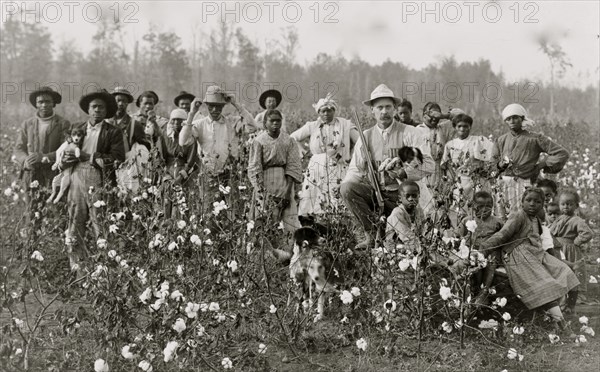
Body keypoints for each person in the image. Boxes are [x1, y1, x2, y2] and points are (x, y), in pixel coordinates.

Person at [340, 84, 434, 249]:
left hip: (404, 198)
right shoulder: (365, 137)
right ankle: (372, 233)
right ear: (372, 111)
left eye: (388, 107)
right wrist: (342, 187)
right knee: (347, 189)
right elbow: (355, 170)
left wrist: (405, 172)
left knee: (411, 238)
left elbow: (429, 164)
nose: (384, 111)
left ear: (395, 109)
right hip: (377, 195)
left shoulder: (410, 132)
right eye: (380, 107)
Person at [479, 188, 579, 332]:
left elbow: (540, 242)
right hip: (519, 255)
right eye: (529, 200)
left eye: (537, 202)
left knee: (566, 272)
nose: (532, 204)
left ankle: (567, 310)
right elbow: (502, 236)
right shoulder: (518, 216)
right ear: (522, 202)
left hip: (536, 254)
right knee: (545, 284)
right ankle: (561, 325)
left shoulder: (536, 220)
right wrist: (482, 250)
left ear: (542, 205)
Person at [61, 89, 125, 271]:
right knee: (75, 220)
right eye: (94, 107)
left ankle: (104, 268)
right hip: (76, 178)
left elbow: (118, 158)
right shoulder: (77, 128)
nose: (97, 110)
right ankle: (77, 268)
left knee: (101, 223)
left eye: (101, 108)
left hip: (99, 178)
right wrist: (66, 160)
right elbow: (66, 151)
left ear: (106, 111)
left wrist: (89, 157)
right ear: (88, 109)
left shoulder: (113, 132)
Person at [179, 86, 257, 208]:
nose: (215, 109)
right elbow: (183, 141)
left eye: (219, 106)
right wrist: (192, 113)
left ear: (223, 107)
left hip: (230, 173)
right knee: (209, 212)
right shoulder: (200, 124)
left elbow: (252, 127)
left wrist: (237, 105)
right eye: (211, 106)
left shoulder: (232, 122)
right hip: (207, 174)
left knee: (232, 211)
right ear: (207, 106)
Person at [290, 93, 358, 219]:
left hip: (339, 164)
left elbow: (360, 142)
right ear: (318, 112)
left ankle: (338, 224)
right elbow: (292, 138)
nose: (326, 114)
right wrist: (302, 150)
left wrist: (352, 154)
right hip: (317, 166)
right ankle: (313, 222)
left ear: (334, 110)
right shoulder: (312, 126)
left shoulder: (345, 125)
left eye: (329, 110)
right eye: (323, 111)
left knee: (337, 195)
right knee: (314, 196)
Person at [493, 104, 569, 217]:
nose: (512, 121)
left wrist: (542, 165)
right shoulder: (501, 140)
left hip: (525, 182)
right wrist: (500, 165)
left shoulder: (534, 138)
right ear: (505, 121)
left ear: (522, 118)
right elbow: (491, 164)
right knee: (502, 216)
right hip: (504, 183)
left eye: (515, 117)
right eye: (509, 119)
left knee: (524, 216)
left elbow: (562, 153)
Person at [14, 86, 71, 233]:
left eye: (48, 101)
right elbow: (19, 148)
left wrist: (45, 157)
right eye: (40, 102)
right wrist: (25, 160)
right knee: (32, 209)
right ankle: (31, 245)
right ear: (36, 104)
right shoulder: (28, 124)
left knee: (58, 208)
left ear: (54, 104)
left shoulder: (63, 124)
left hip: (53, 173)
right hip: (31, 173)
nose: (44, 105)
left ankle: (61, 246)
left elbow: (65, 149)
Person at [248, 109, 302, 232]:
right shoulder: (259, 141)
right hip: (265, 181)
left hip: (284, 180)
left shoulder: (288, 140)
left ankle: (288, 248)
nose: (275, 124)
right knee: (265, 218)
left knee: (289, 220)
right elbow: (254, 167)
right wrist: (261, 192)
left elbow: (293, 165)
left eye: (278, 121)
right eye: (272, 121)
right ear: (265, 123)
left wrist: (288, 192)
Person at [441, 114, 495, 219]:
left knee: (479, 206)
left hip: (477, 180)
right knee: (460, 207)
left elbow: (492, 155)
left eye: (465, 126)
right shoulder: (450, 144)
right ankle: (461, 232)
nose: (462, 129)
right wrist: (451, 182)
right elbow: (446, 165)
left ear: (470, 127)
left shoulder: (479, 140)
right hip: (460, 182)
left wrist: (485, 170)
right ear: (455, 127)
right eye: (459, 126)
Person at [455, 191, 503, 305]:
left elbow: (504, 236)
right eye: (480, 207)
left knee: (491, 262)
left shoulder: (497, 221)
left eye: (488, 206)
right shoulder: (468, 220)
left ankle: (485, 290)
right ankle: (473, 290)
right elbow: (458, 236)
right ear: (474, 206)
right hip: (473, 249)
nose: (485, 210)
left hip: (490, 250)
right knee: (472, 262)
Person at [549, 189, 593, 313]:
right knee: (558, 276)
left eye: (569, 204)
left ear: (576, 206)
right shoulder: (559, 218)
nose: (566, 206)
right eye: (563, 204)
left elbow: (588, 233)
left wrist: (576, 242)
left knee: (572, 278)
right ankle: (560, 304)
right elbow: (551, 231)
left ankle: (570, 306)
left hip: (570, 250)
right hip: (557, 250)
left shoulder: (576, 220)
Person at [384, 181, 425, 252]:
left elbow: (423, 229)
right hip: (396, 245)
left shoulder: (418, 210)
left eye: (414, 196)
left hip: (413, 241)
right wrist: (421, 246)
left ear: (419, 196)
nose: (411, 199)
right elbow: (406, 236)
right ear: (400, 198)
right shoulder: (397, 213)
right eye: (407, 196)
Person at [107, 86, 150, 152]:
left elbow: (145, 148)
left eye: (124, 101)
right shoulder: (105, 122)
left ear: (127, 103)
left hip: (126, 160)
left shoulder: (134, 124)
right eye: (118, 101)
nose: (121, 104)